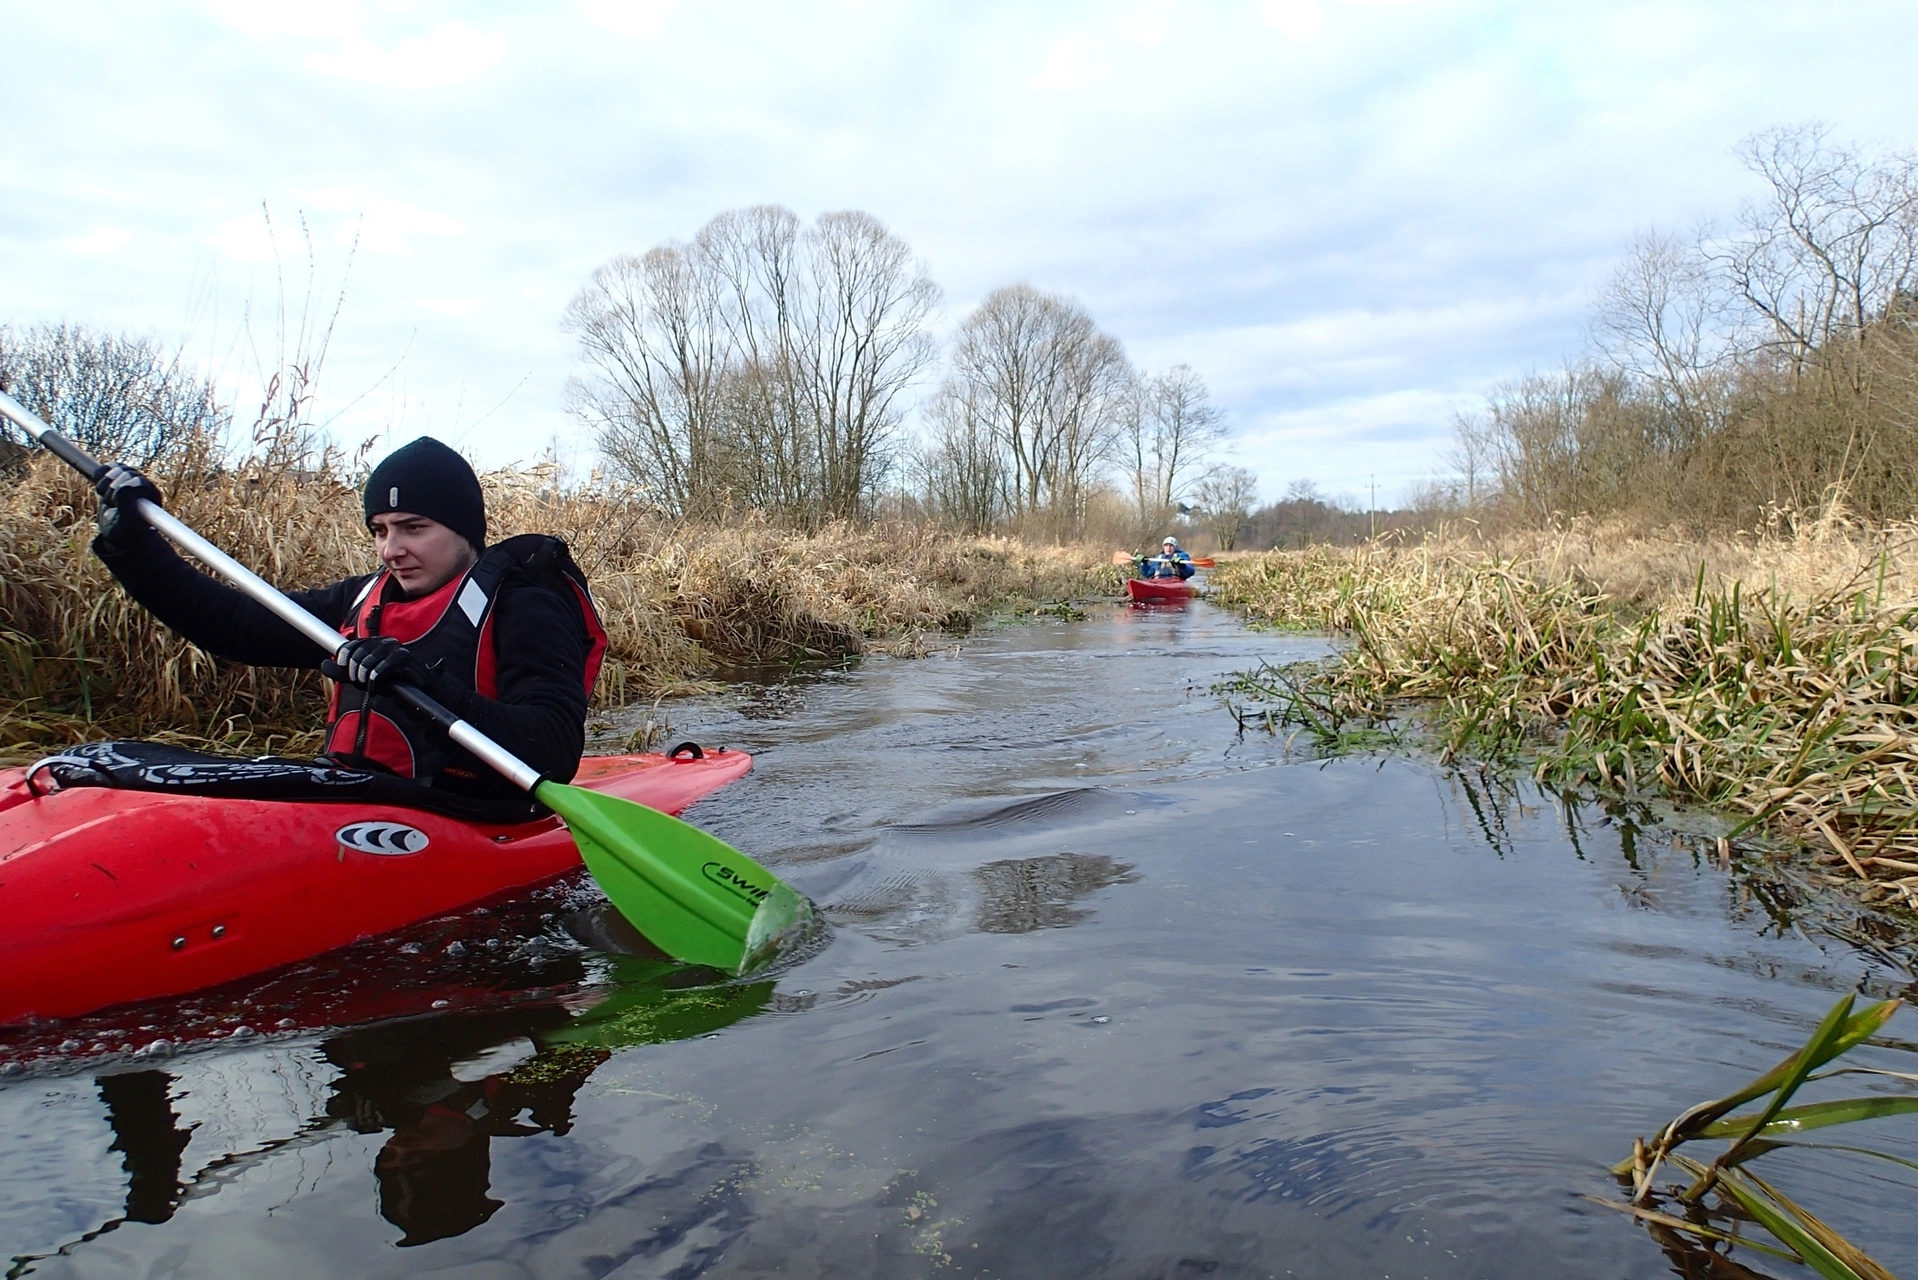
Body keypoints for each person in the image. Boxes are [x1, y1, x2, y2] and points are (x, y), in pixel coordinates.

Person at [90, 436, 606, 817]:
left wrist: (428, 686)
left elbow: (553, 750)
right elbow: (232, 626)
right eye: (380, 530)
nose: (391, 549)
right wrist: (133, 549)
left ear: (464, 530)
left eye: (414, 528)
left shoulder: (525, 603)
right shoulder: (362, 599)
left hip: (475, 812)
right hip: (359, 797)